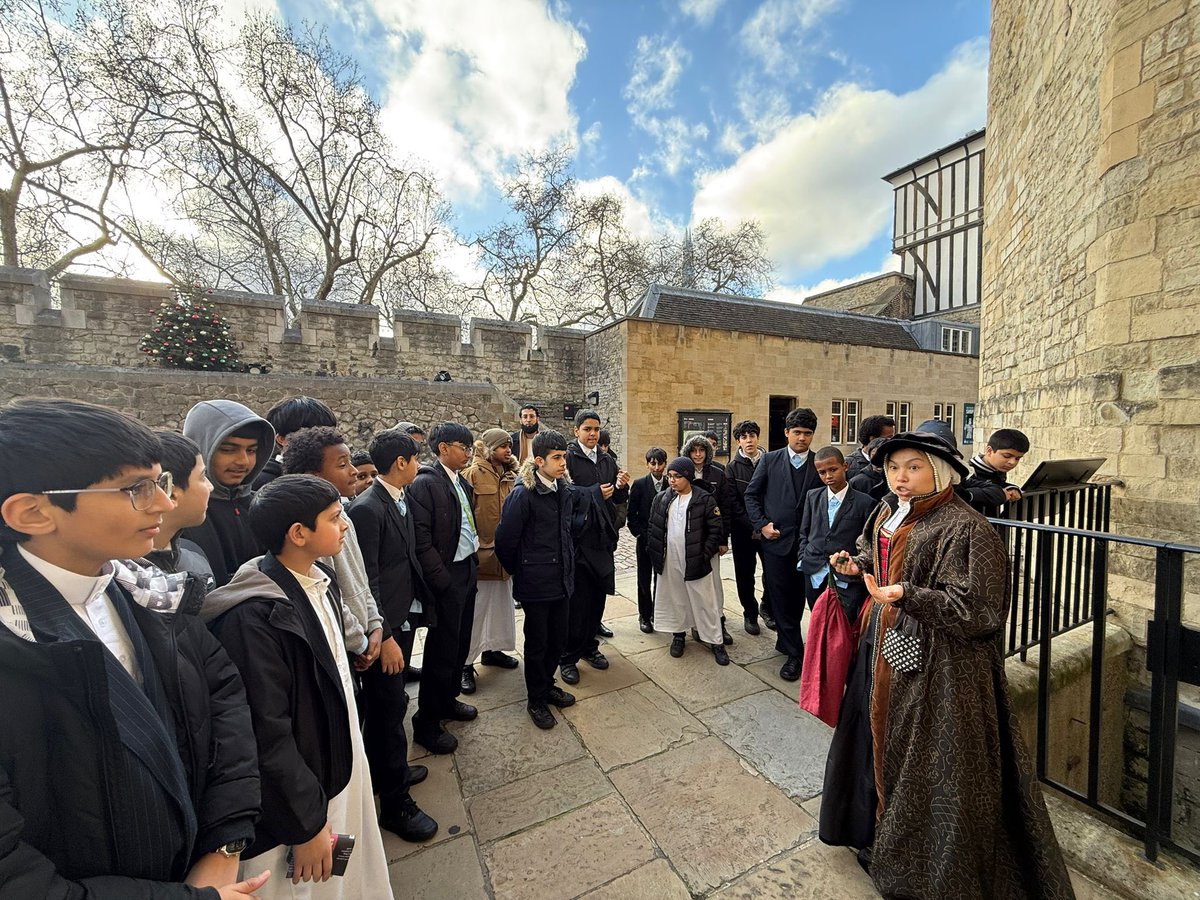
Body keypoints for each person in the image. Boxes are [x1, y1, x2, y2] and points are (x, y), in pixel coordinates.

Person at [0, 399, 264, 899]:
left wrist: (225, 844)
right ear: (33, 512)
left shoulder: (147, 591)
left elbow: (223, 697)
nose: (164, 505)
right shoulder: (16, 641)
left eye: (161, 483)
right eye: (136, 490)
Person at [819, 432, 1075, 899]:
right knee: (877, 735)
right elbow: (873, 553)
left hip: (942, 668)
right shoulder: (885, 511)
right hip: (883, 644)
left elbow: (980, 612)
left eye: (913, 467)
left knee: (923, 758)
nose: (900, 477)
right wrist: (856, 566)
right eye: (894, 467)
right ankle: (874, 830)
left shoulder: (967, 527)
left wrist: (908, 595)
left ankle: (917, 865)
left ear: (939, 472)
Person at [207, 475, 393, 899]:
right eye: (334, 517)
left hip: (338, 759)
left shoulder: (320, 582)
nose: (345, 525)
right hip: (304, 788)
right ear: (298, 533)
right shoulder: (253, 619)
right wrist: (306, 821)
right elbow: (267, 731)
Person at [348, 429, 438, 843]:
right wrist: (381, 633)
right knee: (386, 709)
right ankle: (395, 803)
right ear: (401, 462)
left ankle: (390, 771)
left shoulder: (396, 500)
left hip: (402, 617)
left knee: (393, 702)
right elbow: (367, 577)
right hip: (386, 626)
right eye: (415, 459)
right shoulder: (369, 508)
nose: (418, 467)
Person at [281, 427, 385, 677]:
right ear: (313, 475)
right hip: (340, 645)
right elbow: (326, 594)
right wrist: (359, 642)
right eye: (342, 465)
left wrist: (375, 623)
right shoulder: (312, 532)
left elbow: (361, 578)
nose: (354, 471)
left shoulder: (344, 515)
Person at [494, 430, 578, 729]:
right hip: (536, 584)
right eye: (557, 458)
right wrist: (525, 571)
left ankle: (547, 684)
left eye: (564, 457)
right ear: (539, 460)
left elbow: (567, 534)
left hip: (562, 581)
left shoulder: (563, 491)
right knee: (538, 642)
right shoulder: (523, 494)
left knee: (557, 639)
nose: (562, 464)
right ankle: (536, 698)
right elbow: (505, 541)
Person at [406, 422, 480, 754]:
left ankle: (448, 700)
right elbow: (421, 541)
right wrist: (442, 579)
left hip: (467, 570)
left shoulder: (460, 482)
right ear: (443, 449)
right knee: (442, 649)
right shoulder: (426, 484)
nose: (468, 453)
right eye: (463, 447)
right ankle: (428, 721)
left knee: (460, 641)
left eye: (470, 447)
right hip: (448, 576)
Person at [743, 407, 822, 681]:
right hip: (776, 544)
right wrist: (762, 524)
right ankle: (795, 654)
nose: (802, 438)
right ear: (786, 432)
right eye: (797, 432)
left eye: (808, 433)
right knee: (780, 597)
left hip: (808, 545)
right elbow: (751, 496)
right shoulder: (771, 461)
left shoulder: (818, 463)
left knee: (801, 597)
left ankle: (789, 642)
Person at [560, 410, 629, 686]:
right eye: (587, 429)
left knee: (598, 598)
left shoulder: (606, 459)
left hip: (602, 540)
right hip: (578, 541)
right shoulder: (566, 459)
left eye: (596, 429)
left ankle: (589, 646)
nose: (592, 434)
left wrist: (622, 487)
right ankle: (567, 657)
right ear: (576, 431)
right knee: (577, 603)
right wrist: (593, 493)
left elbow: (616, 497)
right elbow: (563, 492)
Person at [181, 399, 275, 588]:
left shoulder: (265, 507)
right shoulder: (181, 515)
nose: (243, 461)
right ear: (202, 446)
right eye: (228, 450)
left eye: (252, 450)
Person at [646, 457, 727, 665]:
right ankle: (678, 636)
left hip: (696, 560)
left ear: (688, 477)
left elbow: (715, 529)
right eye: (670, 476)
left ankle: (716, 641)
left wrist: (704, 553)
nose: (672, 481)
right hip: (670, 559)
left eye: (677, 477)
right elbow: (653, 527)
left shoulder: (704, 499)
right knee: (676, 599)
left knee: (705, 602)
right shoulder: (662, 498)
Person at [460, 429, 520, 695]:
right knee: (475, 613)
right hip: (481, 557)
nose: (508, 450)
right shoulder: (471, 475)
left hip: (505, 557)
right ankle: (465, 664)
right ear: (489, 448)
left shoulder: (513, 476)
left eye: (510, 445)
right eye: (503, 446)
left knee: (500, 609)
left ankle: (493, 651)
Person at [795, 447, 873, 623]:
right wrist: (803, 557)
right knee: (818, 620)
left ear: (845, 466)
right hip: (814, 570)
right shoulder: (812, 496)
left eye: (833, 469)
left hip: (845, 575)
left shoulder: (864, 502)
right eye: (822, 472)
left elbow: (867, 543)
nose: (828, 476)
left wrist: (858, 568)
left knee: (845, 623)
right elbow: (804, 531)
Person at [682, 435, 735, 646]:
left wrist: (723, 539)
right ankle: (694, 624)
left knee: (713, 584)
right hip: (688, 536)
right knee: (690, 582)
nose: (698, 454)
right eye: (694, 450)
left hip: (711, 536)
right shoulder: (683, 472)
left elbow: (725, 507)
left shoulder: (718, 474)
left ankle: (717, 621)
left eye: (701, 450)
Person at [146, 431, 216, 588]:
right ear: (170, 491)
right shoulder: (118, 577)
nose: (211, 487)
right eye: (203, 477)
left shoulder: (195, 558)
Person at [726, 420, 771, 634]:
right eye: (744, 437)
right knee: (745, 574)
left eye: (752, 435)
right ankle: (750, 613)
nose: (749, 440)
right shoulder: (732, 468)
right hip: (743, 531)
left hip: (768, 529)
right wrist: (753, 524)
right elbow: (733, 501)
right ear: (738, 441)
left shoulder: (770, 462)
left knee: (772, 572)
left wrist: (764, 524)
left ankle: (767, 607)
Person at [254, 397, 338, 490]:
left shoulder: (332, 478)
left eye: (328, 433)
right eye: (311, 434)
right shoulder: (263, 485)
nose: (326, 440)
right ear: (282, 439)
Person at [627, 447, 668, 633]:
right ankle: (644, 615)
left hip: (665, 541)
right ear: (647, 464)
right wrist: (640, 534)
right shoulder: (640, 484)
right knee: (644, 580)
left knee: (663, 579)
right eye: (653, 463)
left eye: (660, 463)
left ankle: (658, 613)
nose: (657, 467)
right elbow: (631, 515)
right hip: (645, 541)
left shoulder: (671, 483)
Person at [963, 428, 1030, 517]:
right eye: (1007, 456)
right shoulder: (967, 472)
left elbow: (999, 484)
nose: (1012, 462)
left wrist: (1011, 488)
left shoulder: (998, 469)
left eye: (1017, 458)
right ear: (989, 451)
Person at [846, 415, 896, 481]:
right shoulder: (848, 464)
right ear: (873, 439)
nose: (891, 441)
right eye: (888, 437)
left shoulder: (894, 461)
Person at [848, 436, 891, 502]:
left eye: (882, 456)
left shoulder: (896, 480)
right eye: (874, 455)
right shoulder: (857, 482)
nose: (878, 460)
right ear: (869, 456)